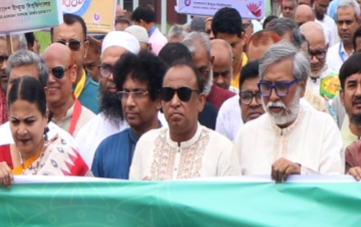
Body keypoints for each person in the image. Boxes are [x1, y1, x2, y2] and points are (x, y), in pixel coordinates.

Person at [234, 42, 343, 179]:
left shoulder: (324, 128)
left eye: (281, 86)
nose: (273, 96)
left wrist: (301, 173)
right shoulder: (247, 134)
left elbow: (334, 186)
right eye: (267, 87)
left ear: (301, 87)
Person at [129, 61, 239, 179]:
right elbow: (134, 196)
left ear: (200, 101)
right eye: (168, 94)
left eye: (184, 93)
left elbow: (232, 196)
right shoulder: (146, 144)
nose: (175, 102)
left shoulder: (222, 150)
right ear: (161, 100)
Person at [0, 76, 89, 185]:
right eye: (15, 121)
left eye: (29, 121)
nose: (21, 131)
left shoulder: (65, 157)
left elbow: (89, 197)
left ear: (45, 117)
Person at [91, 51, 166, 179]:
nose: (129, 103)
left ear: (159, 100)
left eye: (138, 93)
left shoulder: (171, 147)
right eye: (125, 93)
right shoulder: (106, 149)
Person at [75, 32, 141, 162]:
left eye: (119, 68)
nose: (111, 77)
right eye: (106, 68)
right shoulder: (86, 135)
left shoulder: (161, 128)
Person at [52, 13, 101, 114]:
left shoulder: (101, 98)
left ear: (86, 48)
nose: (67, 50)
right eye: (60, 43)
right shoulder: (40, 96)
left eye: (74, 44)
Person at [42, 43, 91, 137]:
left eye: (57, 72)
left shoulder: (89, 125)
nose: (50, 79)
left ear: (72, 73)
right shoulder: (32, 122)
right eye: (45, 72)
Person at [184, 32, 235, 109]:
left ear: (211, 62)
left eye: (202, 71)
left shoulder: (230, 102)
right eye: (192, 72)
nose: (198, 79)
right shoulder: (173, 102)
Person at [215, 62, 265, 142]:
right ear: (239, 103)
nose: (253, 103)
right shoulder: (228, 110)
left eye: (260, 96)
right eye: (247, 96)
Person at [301, 21, 340, 102]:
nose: (314, 61)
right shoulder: (293, 83)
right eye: (309, 54)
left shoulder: (340, 83)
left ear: (327, 47)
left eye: (319, 53)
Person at [212, 7, 248, 88]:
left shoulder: (254, 72)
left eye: (232, 45)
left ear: (243, 38)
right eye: (224, 45)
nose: (229, 52)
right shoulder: (207, 75)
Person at [329, 0, 361, 73]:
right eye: (340, 22)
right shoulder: (330, 54)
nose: (344, 27)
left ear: (358, 23)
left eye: (348, 22)